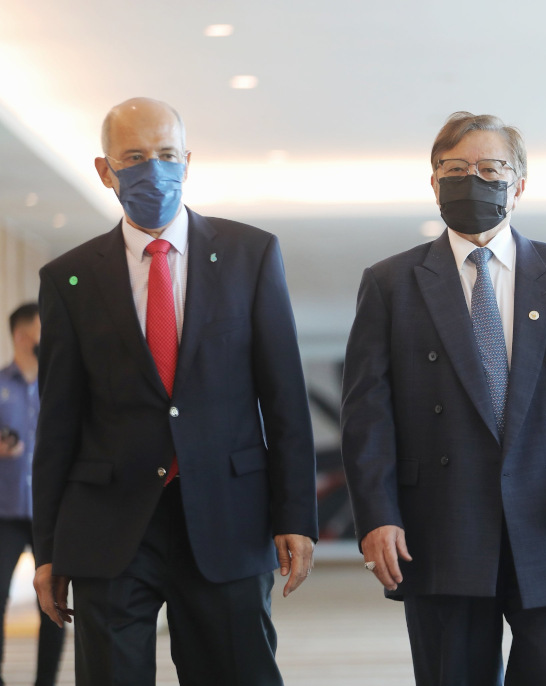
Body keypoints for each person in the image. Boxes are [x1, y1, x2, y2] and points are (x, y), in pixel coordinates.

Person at [341, 112, 546, 686]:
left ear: (520, 183)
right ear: (432, 183)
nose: (470, 179)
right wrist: (378, 516)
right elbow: (366, 416)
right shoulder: (390, 283)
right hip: (438, 526)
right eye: (454, 168)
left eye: (489, 167)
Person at [32, 97, 318, 685]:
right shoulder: (69, 279)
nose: (153, 169)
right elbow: (58, 423)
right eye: (134, 157)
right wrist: (47, 547)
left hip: (228, 517)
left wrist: (296, 514)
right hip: (110, 526)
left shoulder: (250, 255)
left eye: (165, 155)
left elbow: (285, 399)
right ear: (105, 170)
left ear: (187, 161)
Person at [0, 303, 64, 686]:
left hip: (49, 513)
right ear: (23, 337)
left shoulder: (57, 386)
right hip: (4, 512)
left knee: (54, 602)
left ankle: (46, 683)